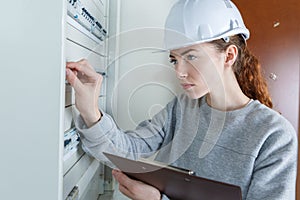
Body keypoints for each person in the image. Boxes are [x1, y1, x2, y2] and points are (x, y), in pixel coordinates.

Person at [65, 0, 298, 199]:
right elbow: (127, 152)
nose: (179, 72)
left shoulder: (274, 135)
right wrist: (90, 111)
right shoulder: (182, 108)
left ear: (228, 55)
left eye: (191, 56)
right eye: (174, 60)